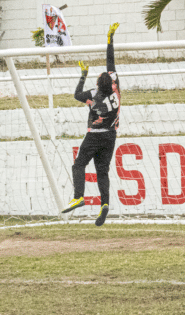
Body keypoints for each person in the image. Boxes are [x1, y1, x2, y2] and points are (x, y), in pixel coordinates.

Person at [62, 22, 120, 226]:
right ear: (111, 83)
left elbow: (77, 94)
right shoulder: (116, 91)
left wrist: (83, 75)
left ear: (97, 84)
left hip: (95, 135)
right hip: (111, 135)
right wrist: (110, 39)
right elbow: (110, 61)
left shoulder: (94, 95)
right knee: (102, 171)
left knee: (78, 165)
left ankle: (79, 196)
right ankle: (105, 204)